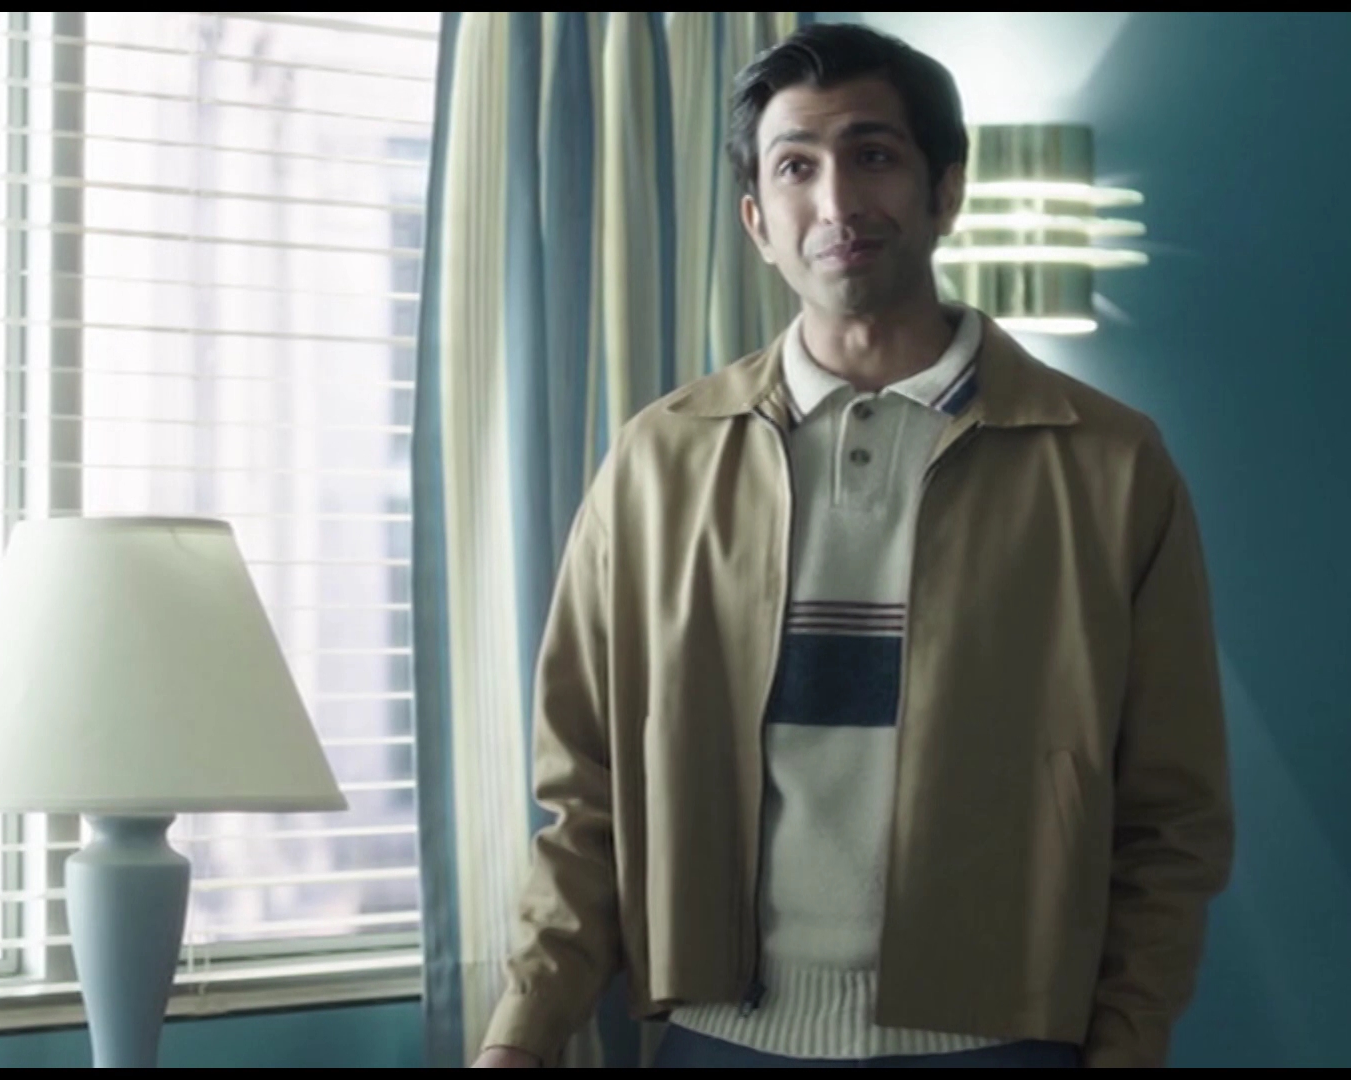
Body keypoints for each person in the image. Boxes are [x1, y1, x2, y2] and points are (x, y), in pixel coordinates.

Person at [471, 22, 1234, 1070]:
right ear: (757, 220)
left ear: (945, 190)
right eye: (796, 167)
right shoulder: (658, 462)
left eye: (873, 155)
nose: (837, 203)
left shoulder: (1107, 463)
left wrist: (1128, 1044)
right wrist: (519, 1038)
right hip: (719, 1038)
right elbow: (587, 801)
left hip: (998, 1040)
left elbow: (1171, 820)